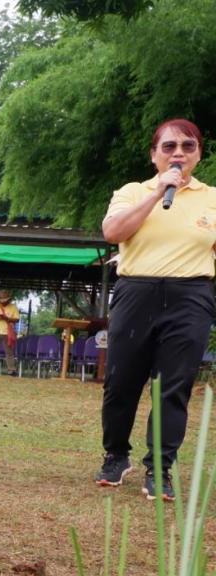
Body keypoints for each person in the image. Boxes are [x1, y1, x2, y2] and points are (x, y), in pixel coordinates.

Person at [95, 118, 216, 501]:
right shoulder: (132, 192)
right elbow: (113, 233)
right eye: (169, 147)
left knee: (174, 386)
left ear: (198, 154)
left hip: (191, 296)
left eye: (187, 146)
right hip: (137, 292)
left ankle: (160, 468)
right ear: (154, 155)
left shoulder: (212, 198)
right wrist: (159, 192)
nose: (178, 153)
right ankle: (116, 454)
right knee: (121, 382)